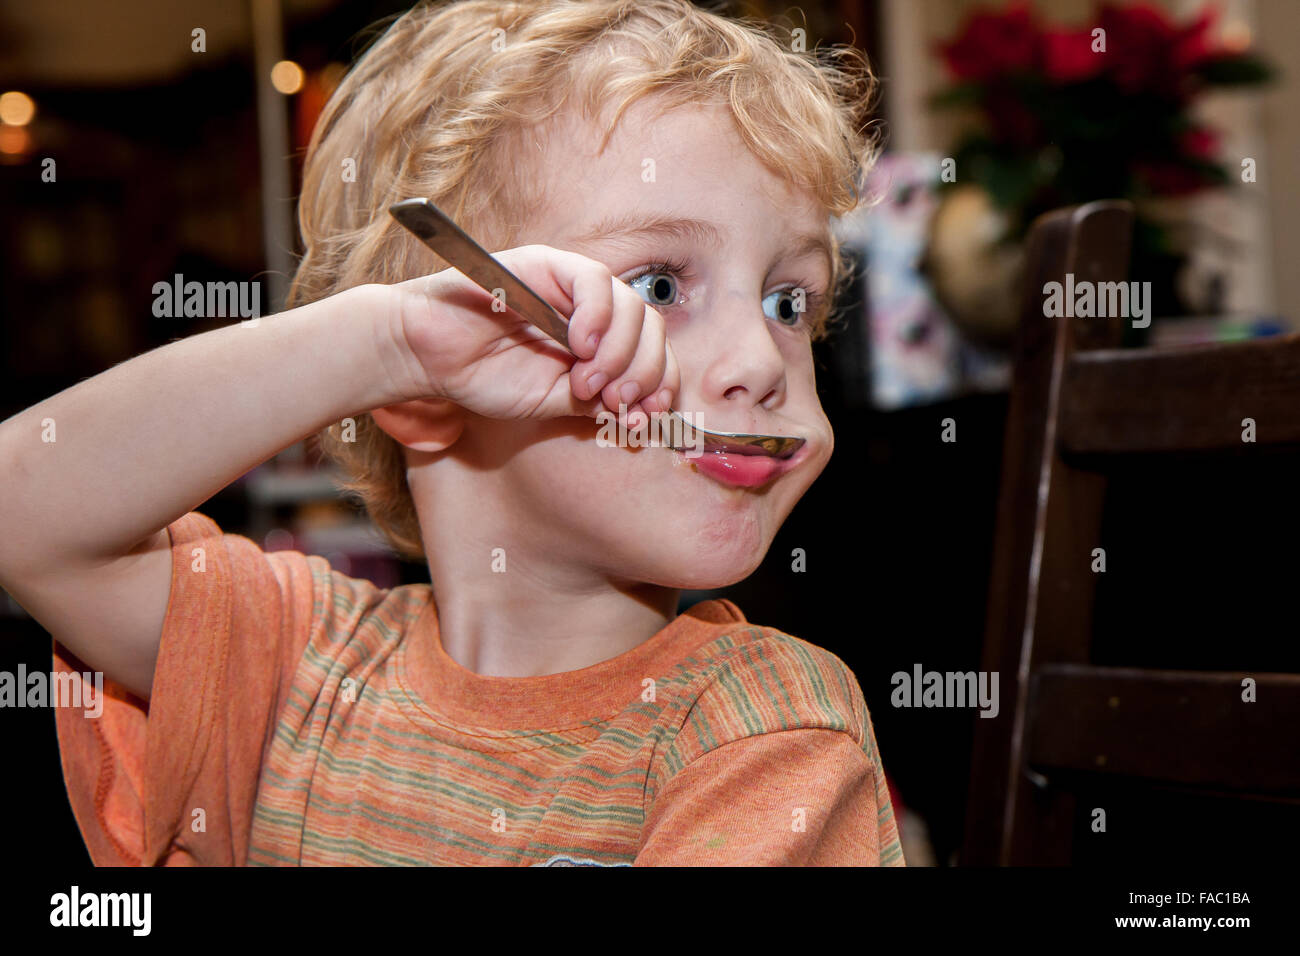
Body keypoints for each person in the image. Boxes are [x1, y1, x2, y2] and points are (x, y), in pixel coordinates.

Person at [0, 0, 903, 866]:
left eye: (790, 302)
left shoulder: (761, 728)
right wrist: (383, 343)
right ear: (427, 390)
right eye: (660, 287)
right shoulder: (285, 663)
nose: (761, 356)